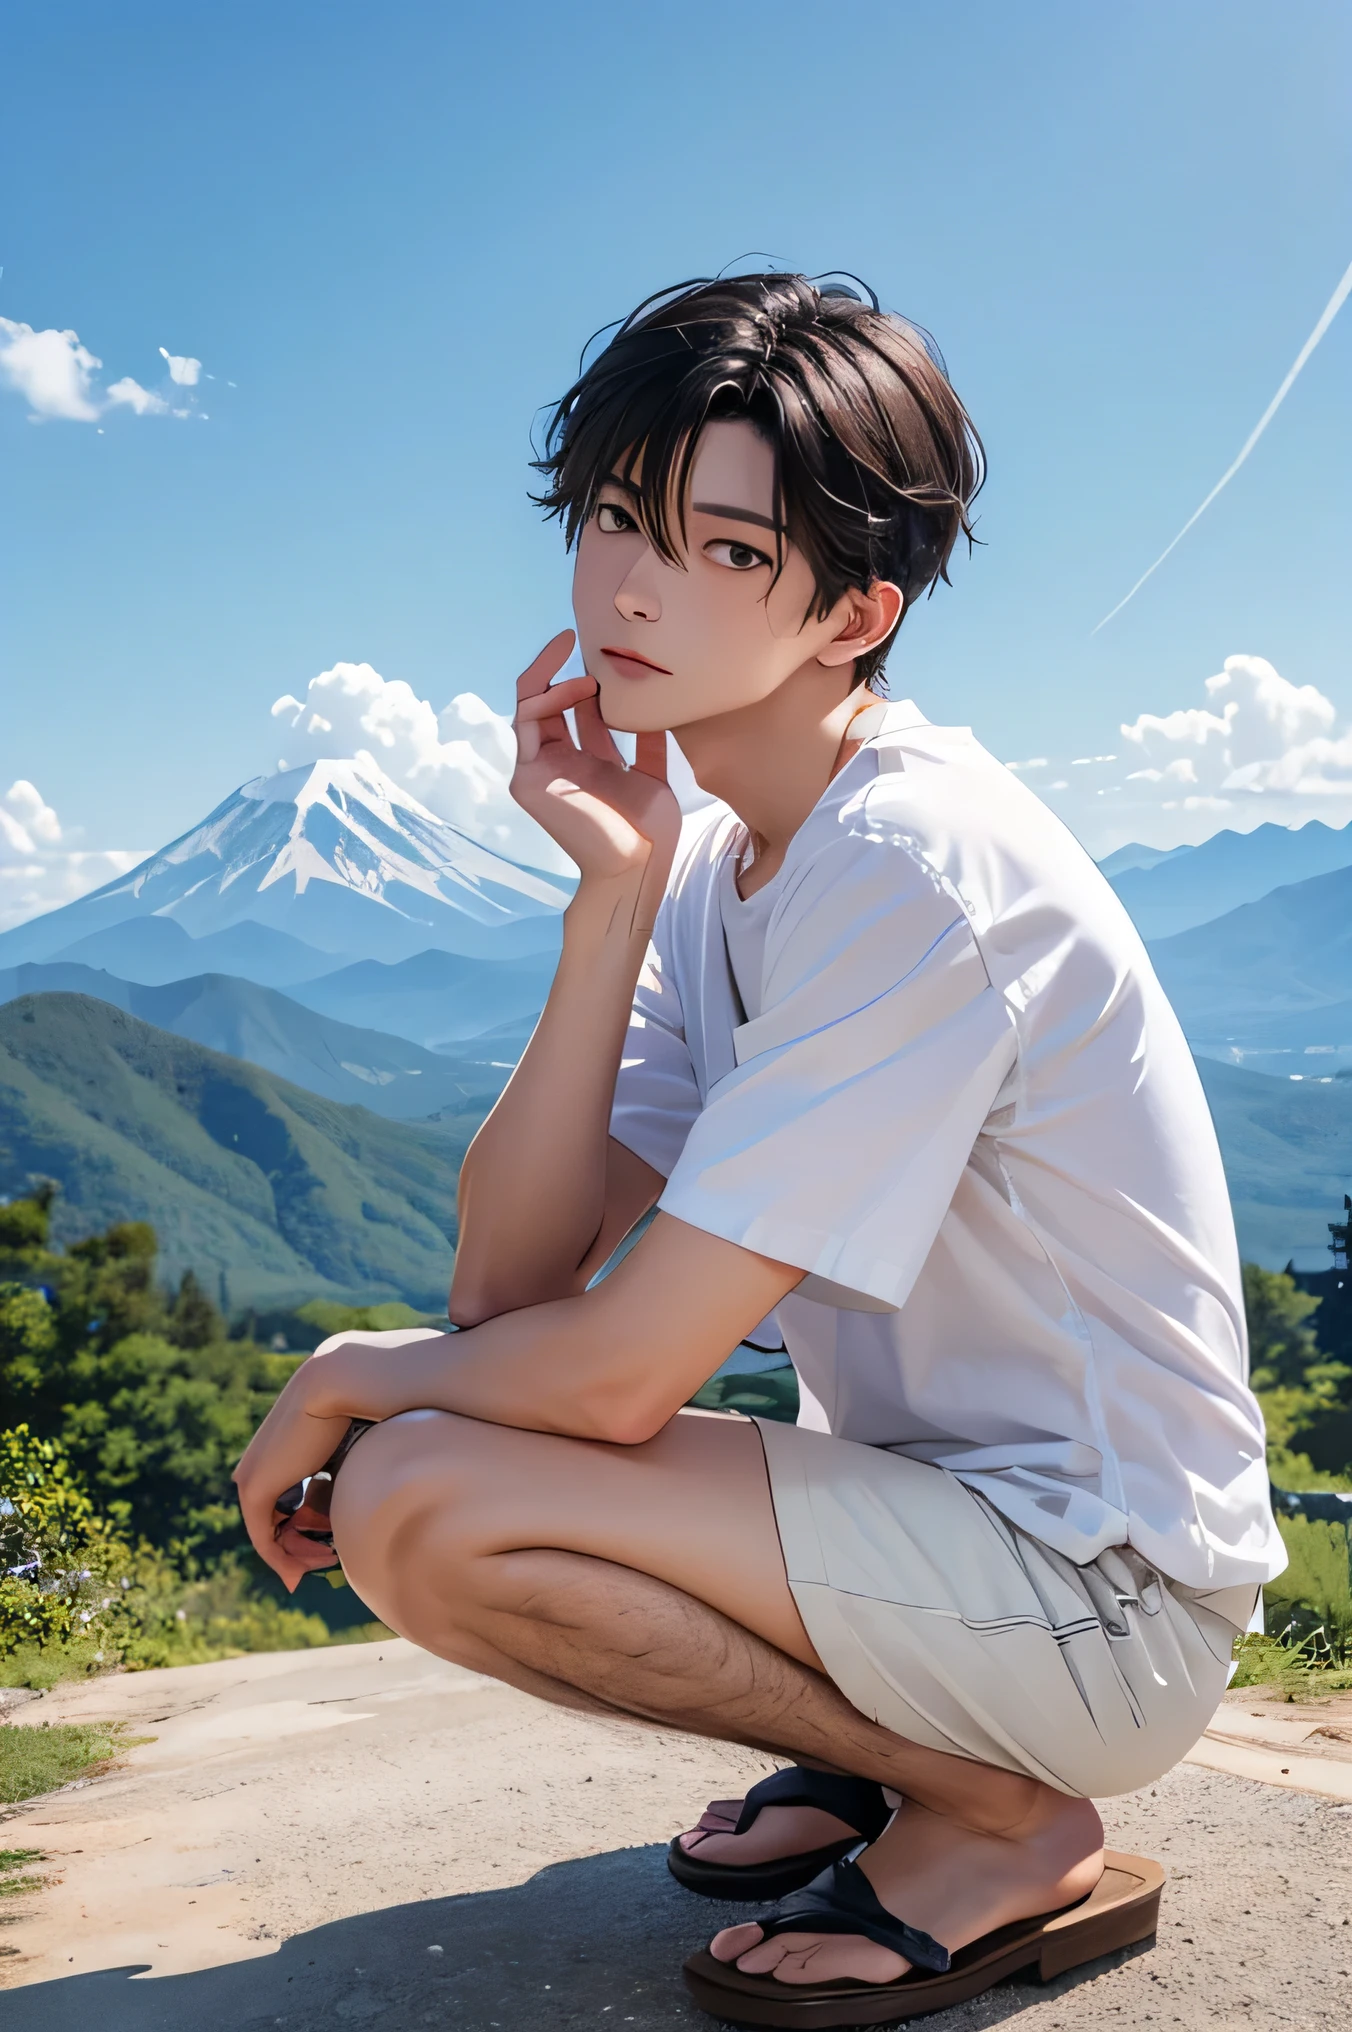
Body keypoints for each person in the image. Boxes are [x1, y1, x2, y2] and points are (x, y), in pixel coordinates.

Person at [236, 272, 1285, 2025]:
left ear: (853, 615)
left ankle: (999, 1810)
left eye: (729, 550)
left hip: (1103, 1606)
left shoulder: (909, 865)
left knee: (420, 1488)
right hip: (945, 1538)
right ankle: (894, 1761)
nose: (636, 585)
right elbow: (507, 1292)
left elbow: (620, 1373)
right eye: (617, 519)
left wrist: (353, 1372)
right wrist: (612, 899)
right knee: (423, 1450)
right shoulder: (726, 864)